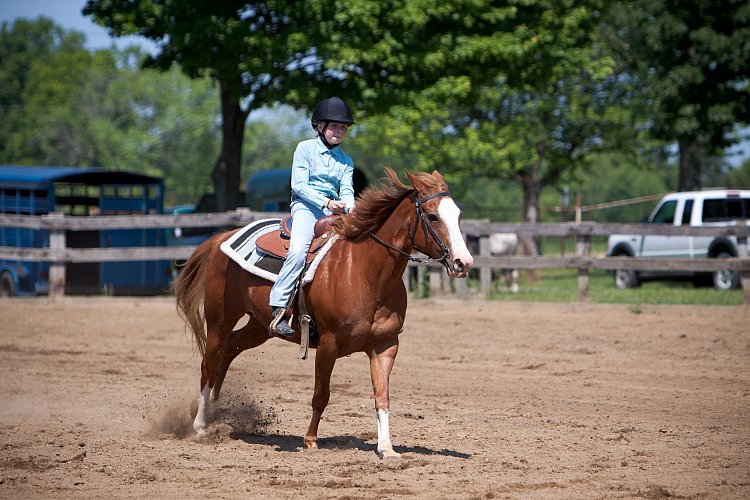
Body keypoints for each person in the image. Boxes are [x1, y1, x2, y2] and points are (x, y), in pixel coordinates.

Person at [269, 96, 357, 336]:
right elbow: (299, 186)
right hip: (306, 208)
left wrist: (350, 207)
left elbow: (347, 189)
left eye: (343, 127)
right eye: (335, 126)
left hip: (334, 211)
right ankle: (279, 308)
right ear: (320, 126)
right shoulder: (304, 149)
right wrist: (327, 202)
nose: (339, 131)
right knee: (298, 252)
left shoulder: (346, 161)